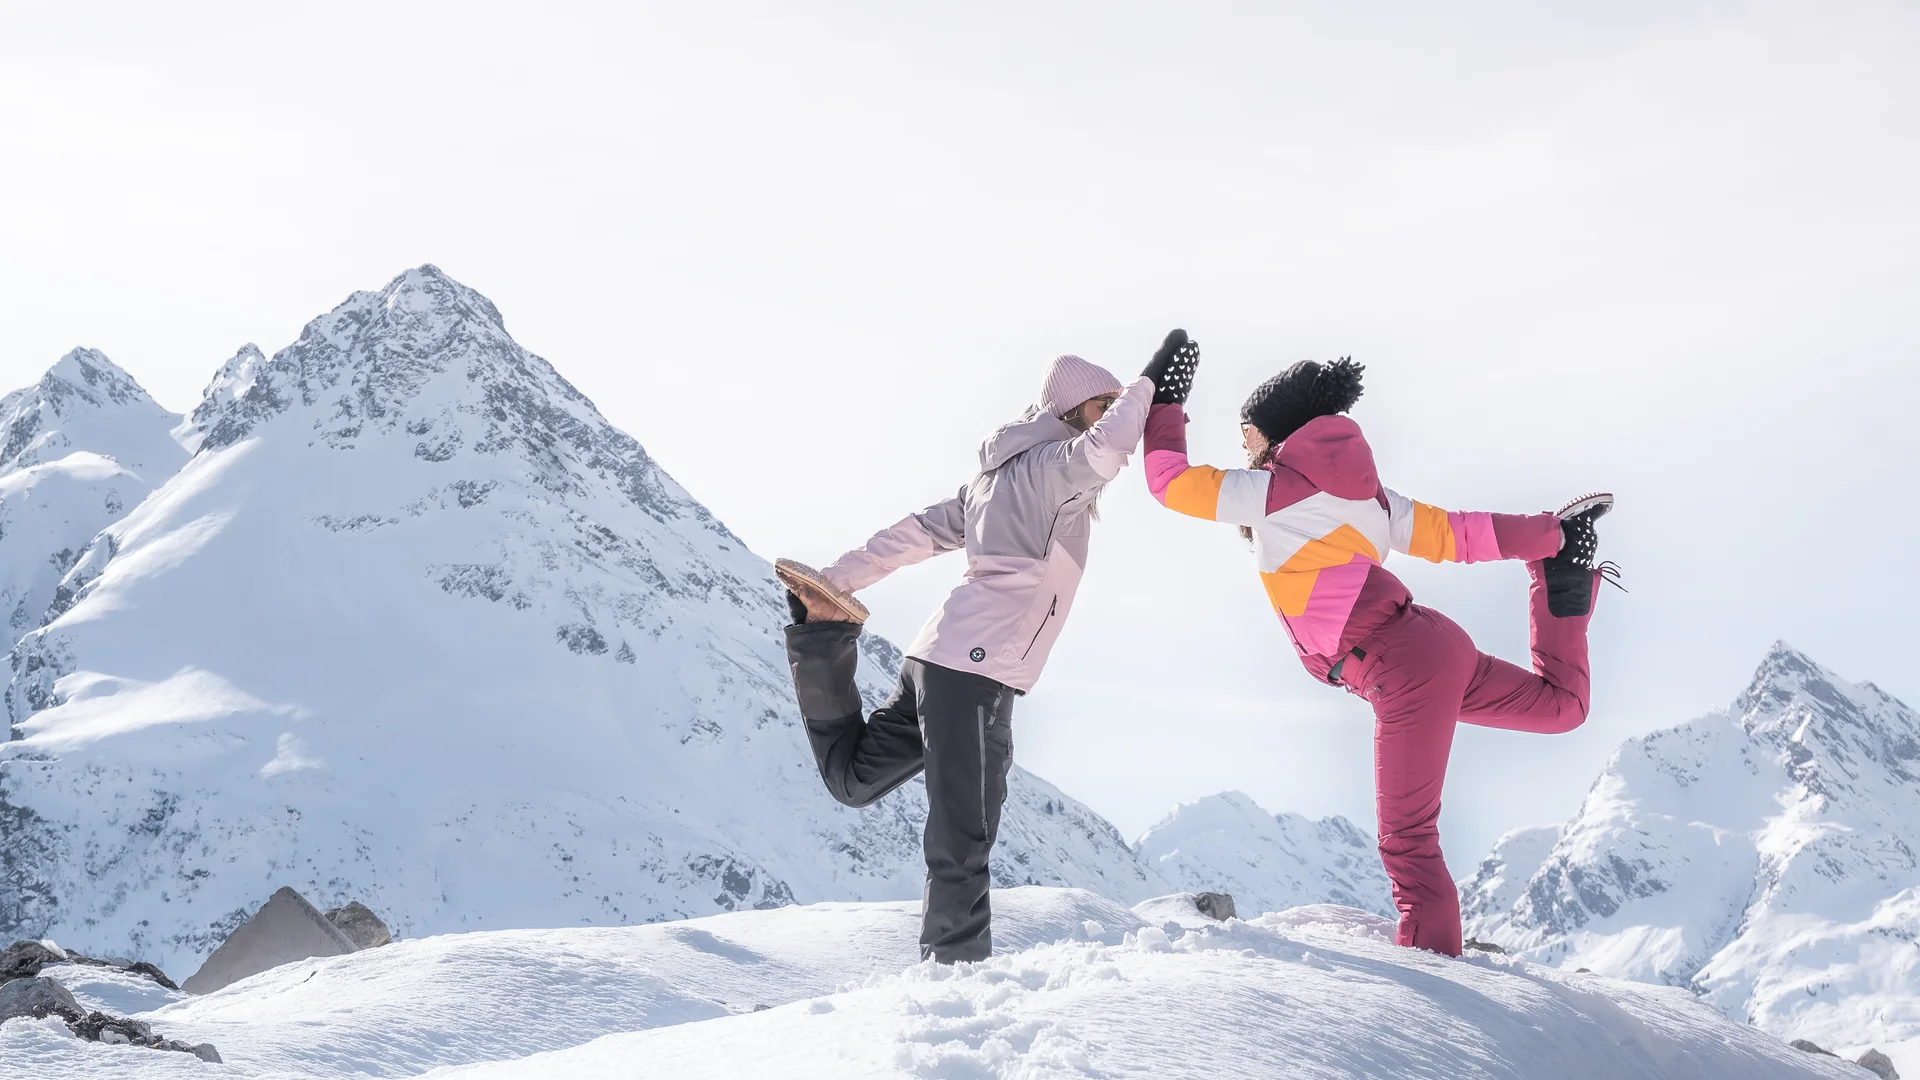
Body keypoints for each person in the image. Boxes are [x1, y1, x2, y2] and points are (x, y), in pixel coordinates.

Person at [1139, 349, 1617, 957]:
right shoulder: (1372, 498)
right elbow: (1459, 533)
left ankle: (1434, 978)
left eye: (1245, 432)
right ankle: (1562, 575)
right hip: (1430, 646)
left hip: (1402, 666)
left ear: (1272, 433)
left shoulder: (1273, 491)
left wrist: (1165, 403)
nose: (1241, 444)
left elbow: (1169, 482)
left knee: (1409, 841)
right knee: (1563, 705)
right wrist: (1551, 534)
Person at [775, 333, 1192, 963]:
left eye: (1115, 405)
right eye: (1100, 405)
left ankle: (821, 639)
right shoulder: (1052, 467)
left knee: (857, 780)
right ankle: (954, 969)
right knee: (963, 828)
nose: (1111, 417)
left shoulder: (996, 479)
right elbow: (1107, 450)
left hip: (950, 664)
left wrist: (838, 583)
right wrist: (1147, 382)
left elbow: (913, 534)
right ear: (1070, 410)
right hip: (970, 671)